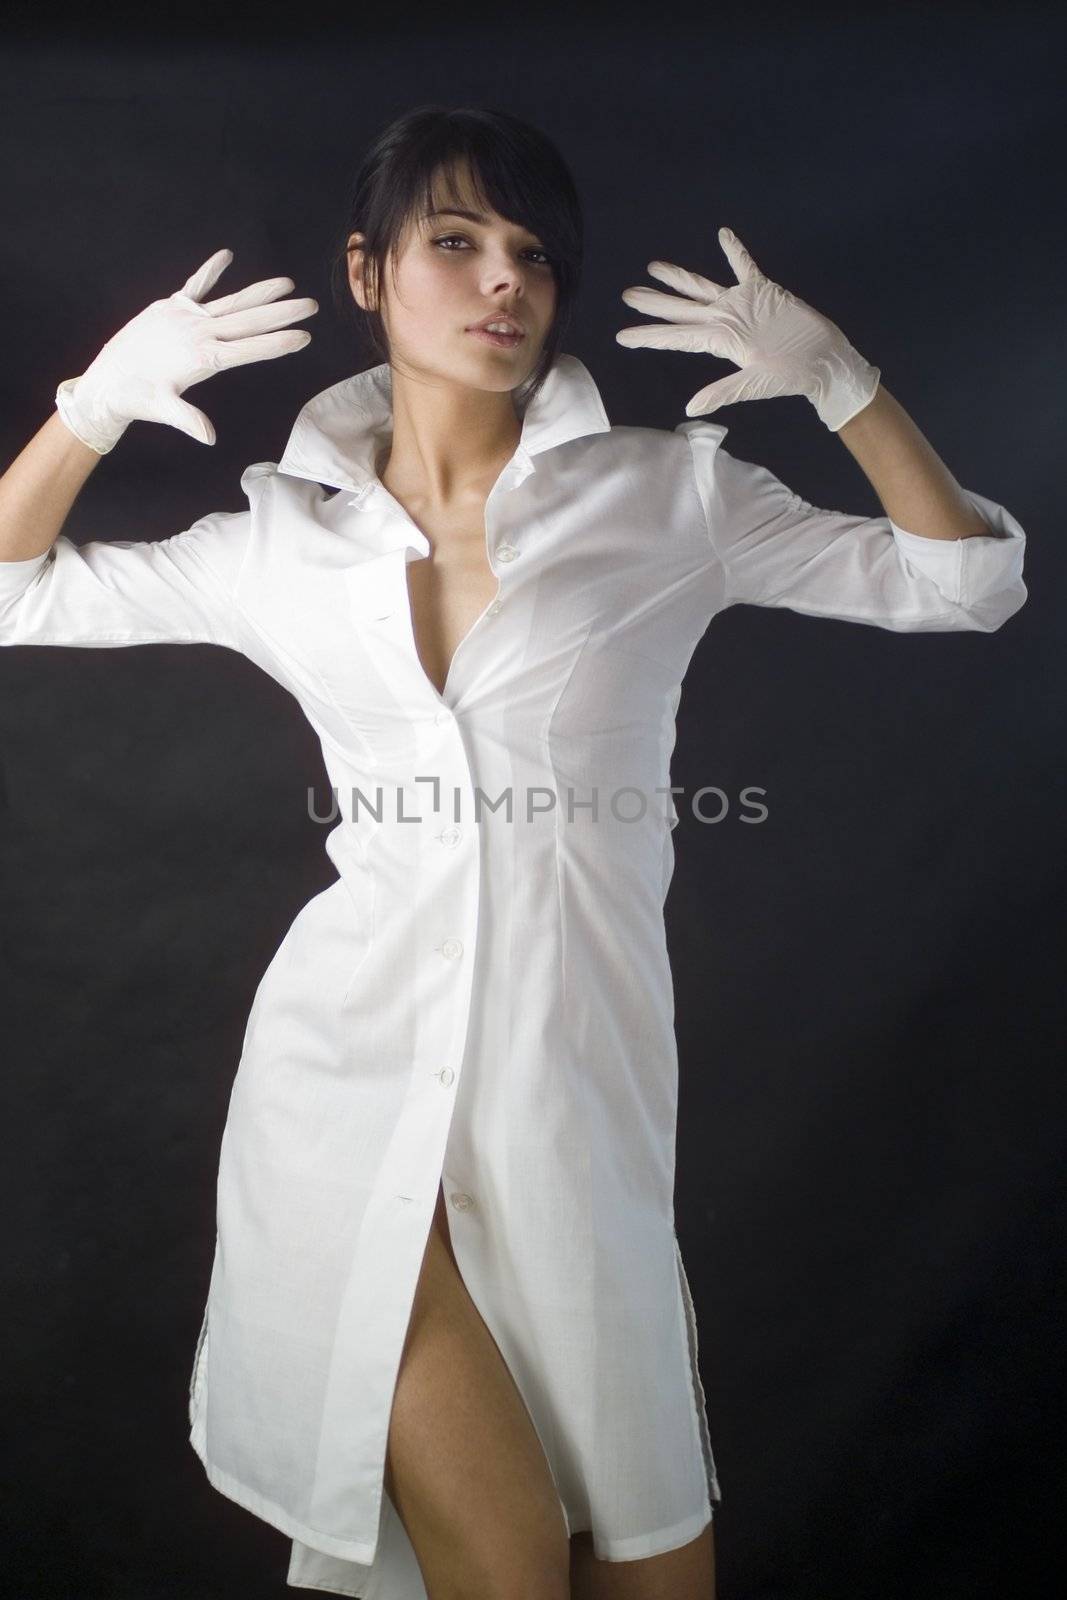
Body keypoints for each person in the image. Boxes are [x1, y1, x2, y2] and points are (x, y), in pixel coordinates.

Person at [0, 104, 1027, 1600]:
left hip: (573, 1113)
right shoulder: (280, 542)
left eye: (535, 256)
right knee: (506, 1569)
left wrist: (845, 388)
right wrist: (93, 406)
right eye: (456, 241)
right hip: (344, 1111)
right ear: (369, 272)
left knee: (658, 1574)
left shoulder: (668, 498)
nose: (505, 284)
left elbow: (965, 588)